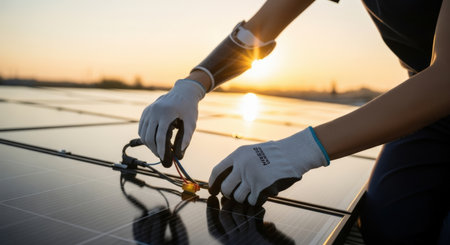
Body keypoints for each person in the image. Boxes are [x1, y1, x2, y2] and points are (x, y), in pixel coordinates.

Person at [139, 0, 450, 243]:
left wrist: (299, 150)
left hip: (437, 90)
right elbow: (256, 31)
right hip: (426, 100)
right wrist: (192, 85)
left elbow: (446, 79)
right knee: (391, 227)